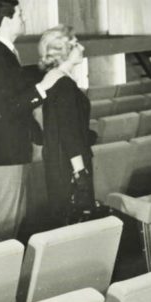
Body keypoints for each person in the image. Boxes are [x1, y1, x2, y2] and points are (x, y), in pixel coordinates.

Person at [0, 0, 63, 241]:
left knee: (13, 221)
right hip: (6, 152)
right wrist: (42, 89)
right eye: (20, 15)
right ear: (6, 21)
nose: (24, 19)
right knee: (4, 225)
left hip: (14, 149)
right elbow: (0, 111)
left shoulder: (5, 53)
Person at [37, 25, 98, 226]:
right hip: (69, 165)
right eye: (75, 44)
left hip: (62, 161)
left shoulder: (59, 80)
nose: (82, 47)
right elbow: (69, 132)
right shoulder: (63, 84)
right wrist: (80, 173)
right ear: (65, 52)